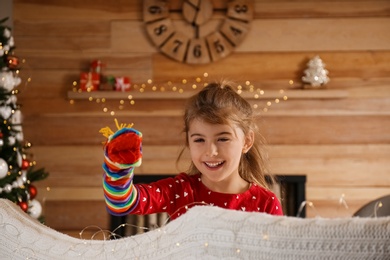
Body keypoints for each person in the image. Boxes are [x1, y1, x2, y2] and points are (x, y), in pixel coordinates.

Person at [101, 81, 283, 221]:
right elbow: (121, 203)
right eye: (199, 140)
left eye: (223, 138)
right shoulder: (179, 190)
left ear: (247, 141)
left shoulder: (266, 203)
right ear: (188, 142)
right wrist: (118, 168)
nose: (211, 151)